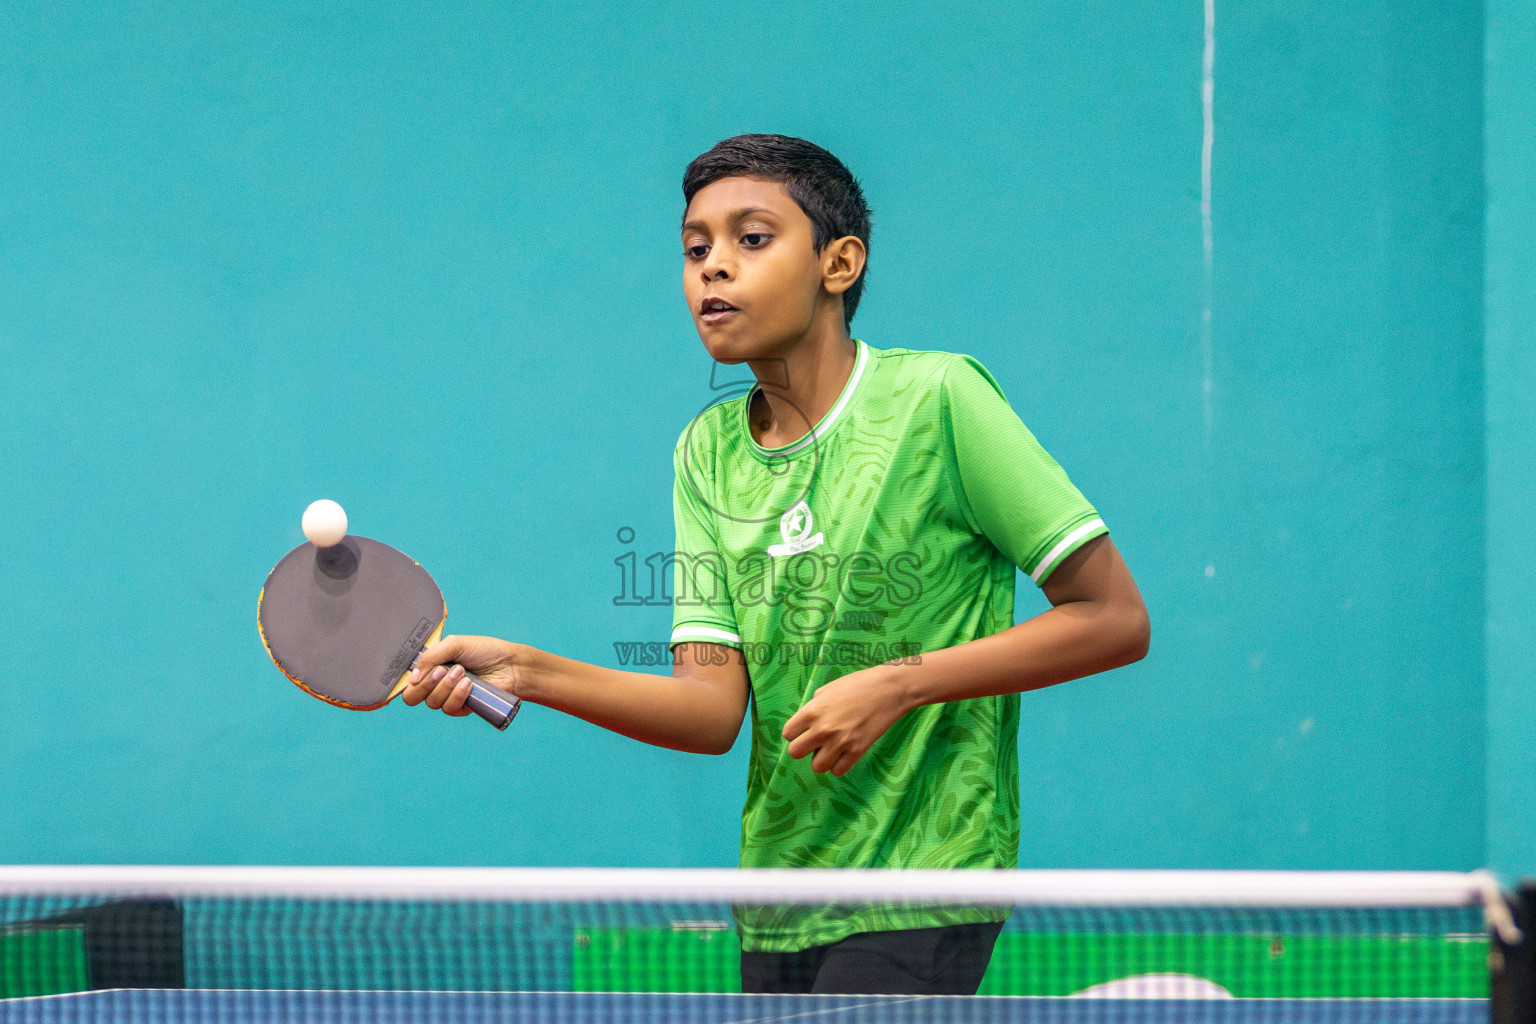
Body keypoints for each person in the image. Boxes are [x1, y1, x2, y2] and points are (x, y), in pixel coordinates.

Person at [403, 133, 1150, 995]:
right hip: (777, 886)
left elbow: (1113, 618)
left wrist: (902, 682)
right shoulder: (707, 452)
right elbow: (708, 708)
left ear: (839, 263)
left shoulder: (938, 401)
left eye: (751, 238)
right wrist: (526, 670)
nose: (712, 268)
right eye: (695, 248)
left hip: (926, 879)